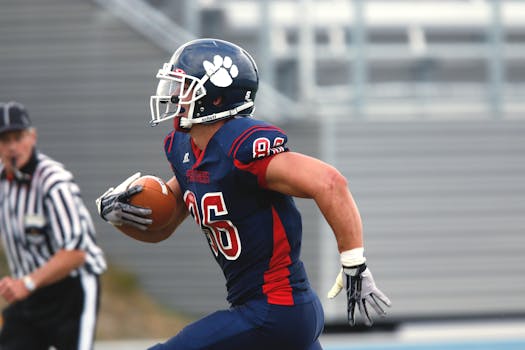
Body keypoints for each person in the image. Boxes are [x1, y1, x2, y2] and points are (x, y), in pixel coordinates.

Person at [97, 38, 391, 350]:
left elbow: (330, 182)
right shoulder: (187, 152)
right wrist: (120, 216)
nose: (174, 96)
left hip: (275, 311)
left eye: (184, 86)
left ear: (214, 96)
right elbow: (162, 227)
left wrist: (353, 262)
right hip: (275, 312)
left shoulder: (240, 145)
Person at [0, 101, 107, 350]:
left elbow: (75, 254)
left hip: (71, 290)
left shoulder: (53, 182)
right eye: (5, 140)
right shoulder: (3, 183)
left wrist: (26, 283)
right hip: (30, 293)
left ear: (32, 137)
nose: (13, 147)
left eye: (18, 137)